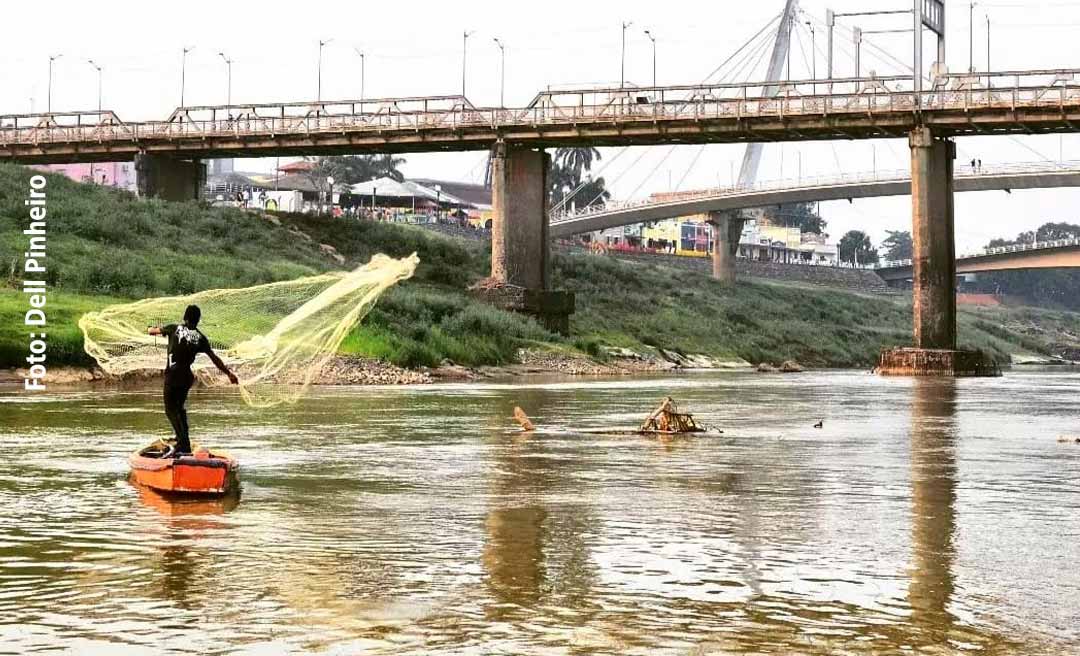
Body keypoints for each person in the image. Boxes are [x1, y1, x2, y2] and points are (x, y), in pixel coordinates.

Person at [148, 305, 238, 456]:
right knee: (180, 407)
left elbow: (152, 332)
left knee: (170, 409)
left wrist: (152, 328)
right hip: (186, 378)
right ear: (197, 320)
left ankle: (183, 443)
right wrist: (229, 374)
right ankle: (182, 438)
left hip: (173, 375)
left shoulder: (173, 328)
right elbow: (214, 358)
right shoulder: (201, 338)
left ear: (185, 317)